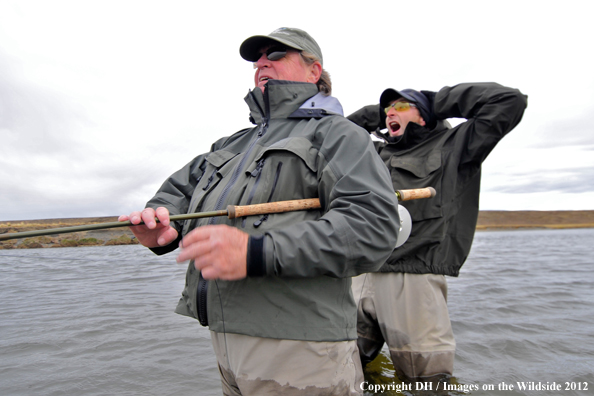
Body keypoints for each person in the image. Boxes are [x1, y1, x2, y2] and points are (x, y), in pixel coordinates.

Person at [119, 27, 400, 396]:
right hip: (224, 339)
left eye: (277, 54)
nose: (261, 63)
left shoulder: (338, 134)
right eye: (257, 59)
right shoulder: (231, 143)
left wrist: (256, 252)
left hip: (301, 345)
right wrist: (159, 222)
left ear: (314, 71)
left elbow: (372, 228)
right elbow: (178, 192)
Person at [347, 83, 528, 381]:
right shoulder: (372, 153)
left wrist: (433, 102)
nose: (392, 111)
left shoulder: (454, 145)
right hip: (357, 273)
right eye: (387, 108)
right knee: (344, 369)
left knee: (427, 381)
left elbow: (508, 101)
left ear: (425, 117)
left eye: (402, 106)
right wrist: (381, 114)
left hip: (412, 278)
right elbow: (332, 134)